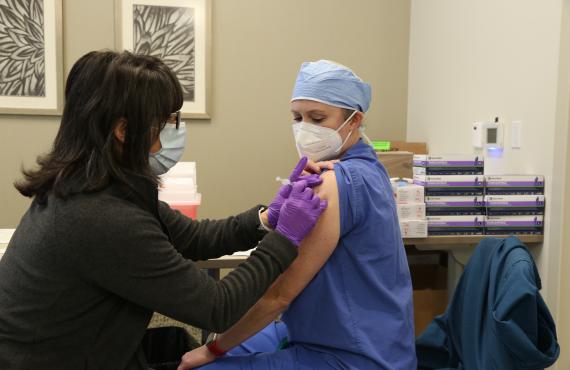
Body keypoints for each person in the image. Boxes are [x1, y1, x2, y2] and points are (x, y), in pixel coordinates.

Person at [0, 51, 328, 370]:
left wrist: (268, 217)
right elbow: (218, 306)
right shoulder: (99, 216)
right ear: (124, 130)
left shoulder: (94, 187)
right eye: (162, 122)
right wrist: (284, 238)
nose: (166, 135)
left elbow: (195, 237)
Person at [178, 60, 417, 370]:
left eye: (317, 118)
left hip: (351, 358)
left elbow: (279, 296)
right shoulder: (372, 169)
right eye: (297, 117)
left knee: (205, 363)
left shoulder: (331, 182)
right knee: (242, 339)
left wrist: (213, 350)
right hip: (380, 346)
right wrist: (270, 218)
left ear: (354, 120)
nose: (305, 128)